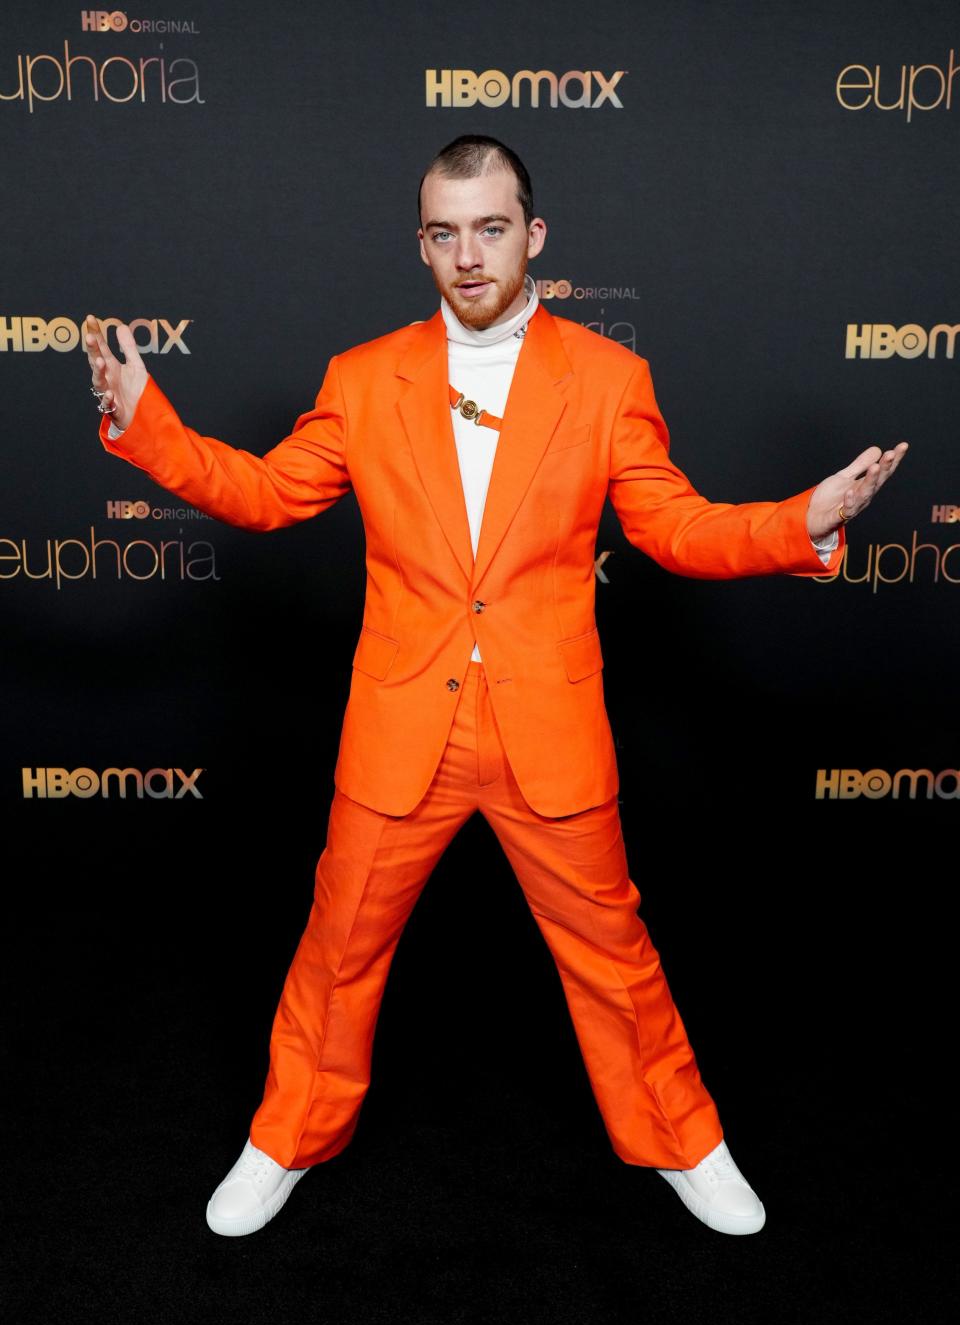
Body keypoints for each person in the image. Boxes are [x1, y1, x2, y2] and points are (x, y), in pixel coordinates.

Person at [84, 135, 906, 1240]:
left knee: (616, 957)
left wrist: (804, 519)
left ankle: (681, 1138)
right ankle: (284, 1139)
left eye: (491, 227)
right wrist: (150, 423)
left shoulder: (610, 381)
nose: (468, 255)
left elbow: (673, 527)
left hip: (548, 730)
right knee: (336, 953)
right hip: (401, 726)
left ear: (535, 237)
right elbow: (271, 492)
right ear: (420, 243)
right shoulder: (363, 376)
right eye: (444, 231)